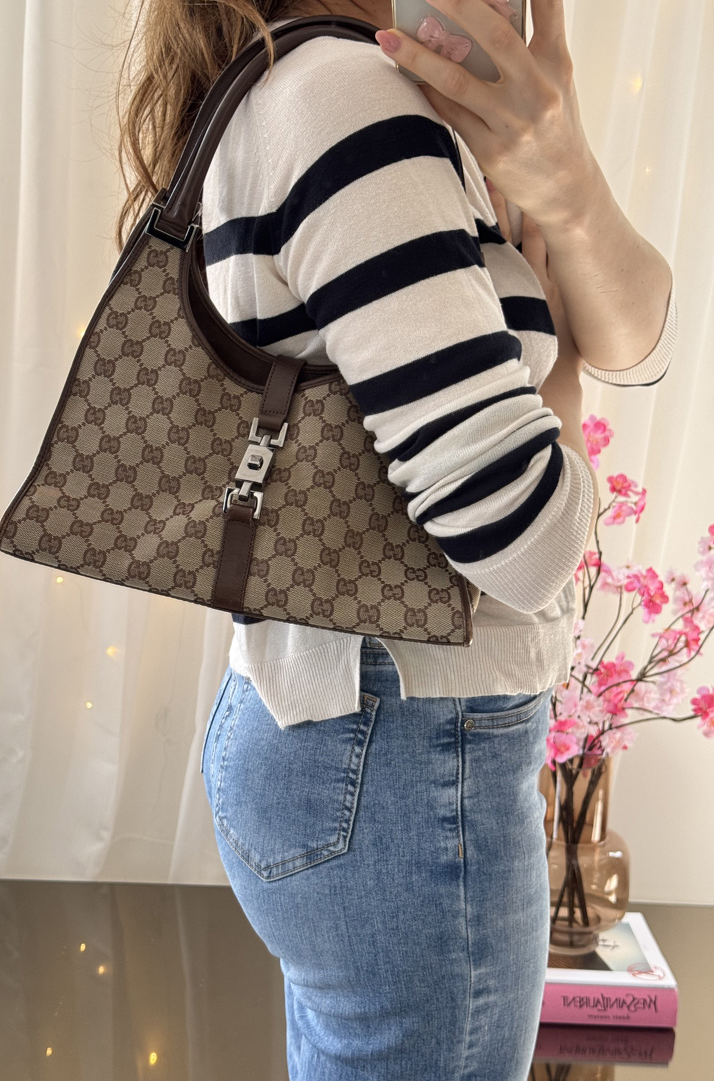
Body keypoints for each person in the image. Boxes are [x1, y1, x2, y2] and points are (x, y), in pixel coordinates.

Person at [116, 0, 677, 1077]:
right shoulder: (351, 105)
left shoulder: (342, 86)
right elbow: (523, 541)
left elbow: (639, 342)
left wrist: (567, 182)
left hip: (352, 737)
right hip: (408, 752)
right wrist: (556, 375)